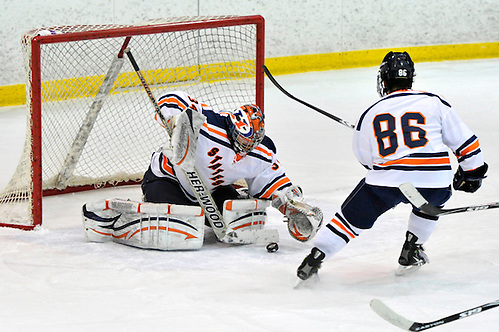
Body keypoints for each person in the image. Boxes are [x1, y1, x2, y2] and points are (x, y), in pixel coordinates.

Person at [296, 51, 488, 280]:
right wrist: (472, 173)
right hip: (434, 183)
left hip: (388, 183)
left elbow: (365, 159)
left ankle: (315, 259)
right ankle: (412, 250)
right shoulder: (434, 102)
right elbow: (466, 142)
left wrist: (391, 170)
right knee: (428, 204)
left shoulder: (371, 113)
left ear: (384, 79)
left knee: (351, 219)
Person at [83, 90, 322, 250]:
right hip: (168, 178)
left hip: (211, 190)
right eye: (241, 142)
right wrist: (176, 121)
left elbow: (273, 182)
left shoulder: (262, 152)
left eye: (250, 146)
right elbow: (173, 99)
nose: (243, 151)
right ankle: (119, 219)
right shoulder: (209, 122)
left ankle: (193, 215)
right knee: (175, 226)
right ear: (233, 127)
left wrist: (291, 207)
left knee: (240, 218)